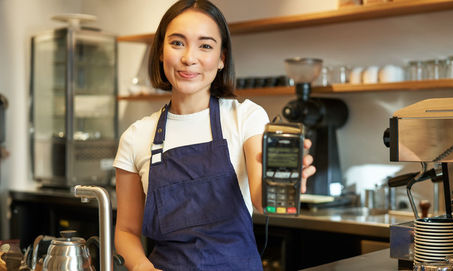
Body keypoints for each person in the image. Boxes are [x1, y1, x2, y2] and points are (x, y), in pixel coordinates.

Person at [112, 1, 316, 270]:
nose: (189, 58)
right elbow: (126, 231)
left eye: (205, 46)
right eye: (177, 43)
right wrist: (143, 268)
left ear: (222, 58)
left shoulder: (245, 117)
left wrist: (281, 184)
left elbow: (260, 199)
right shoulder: (137, 136)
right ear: (161, 51)